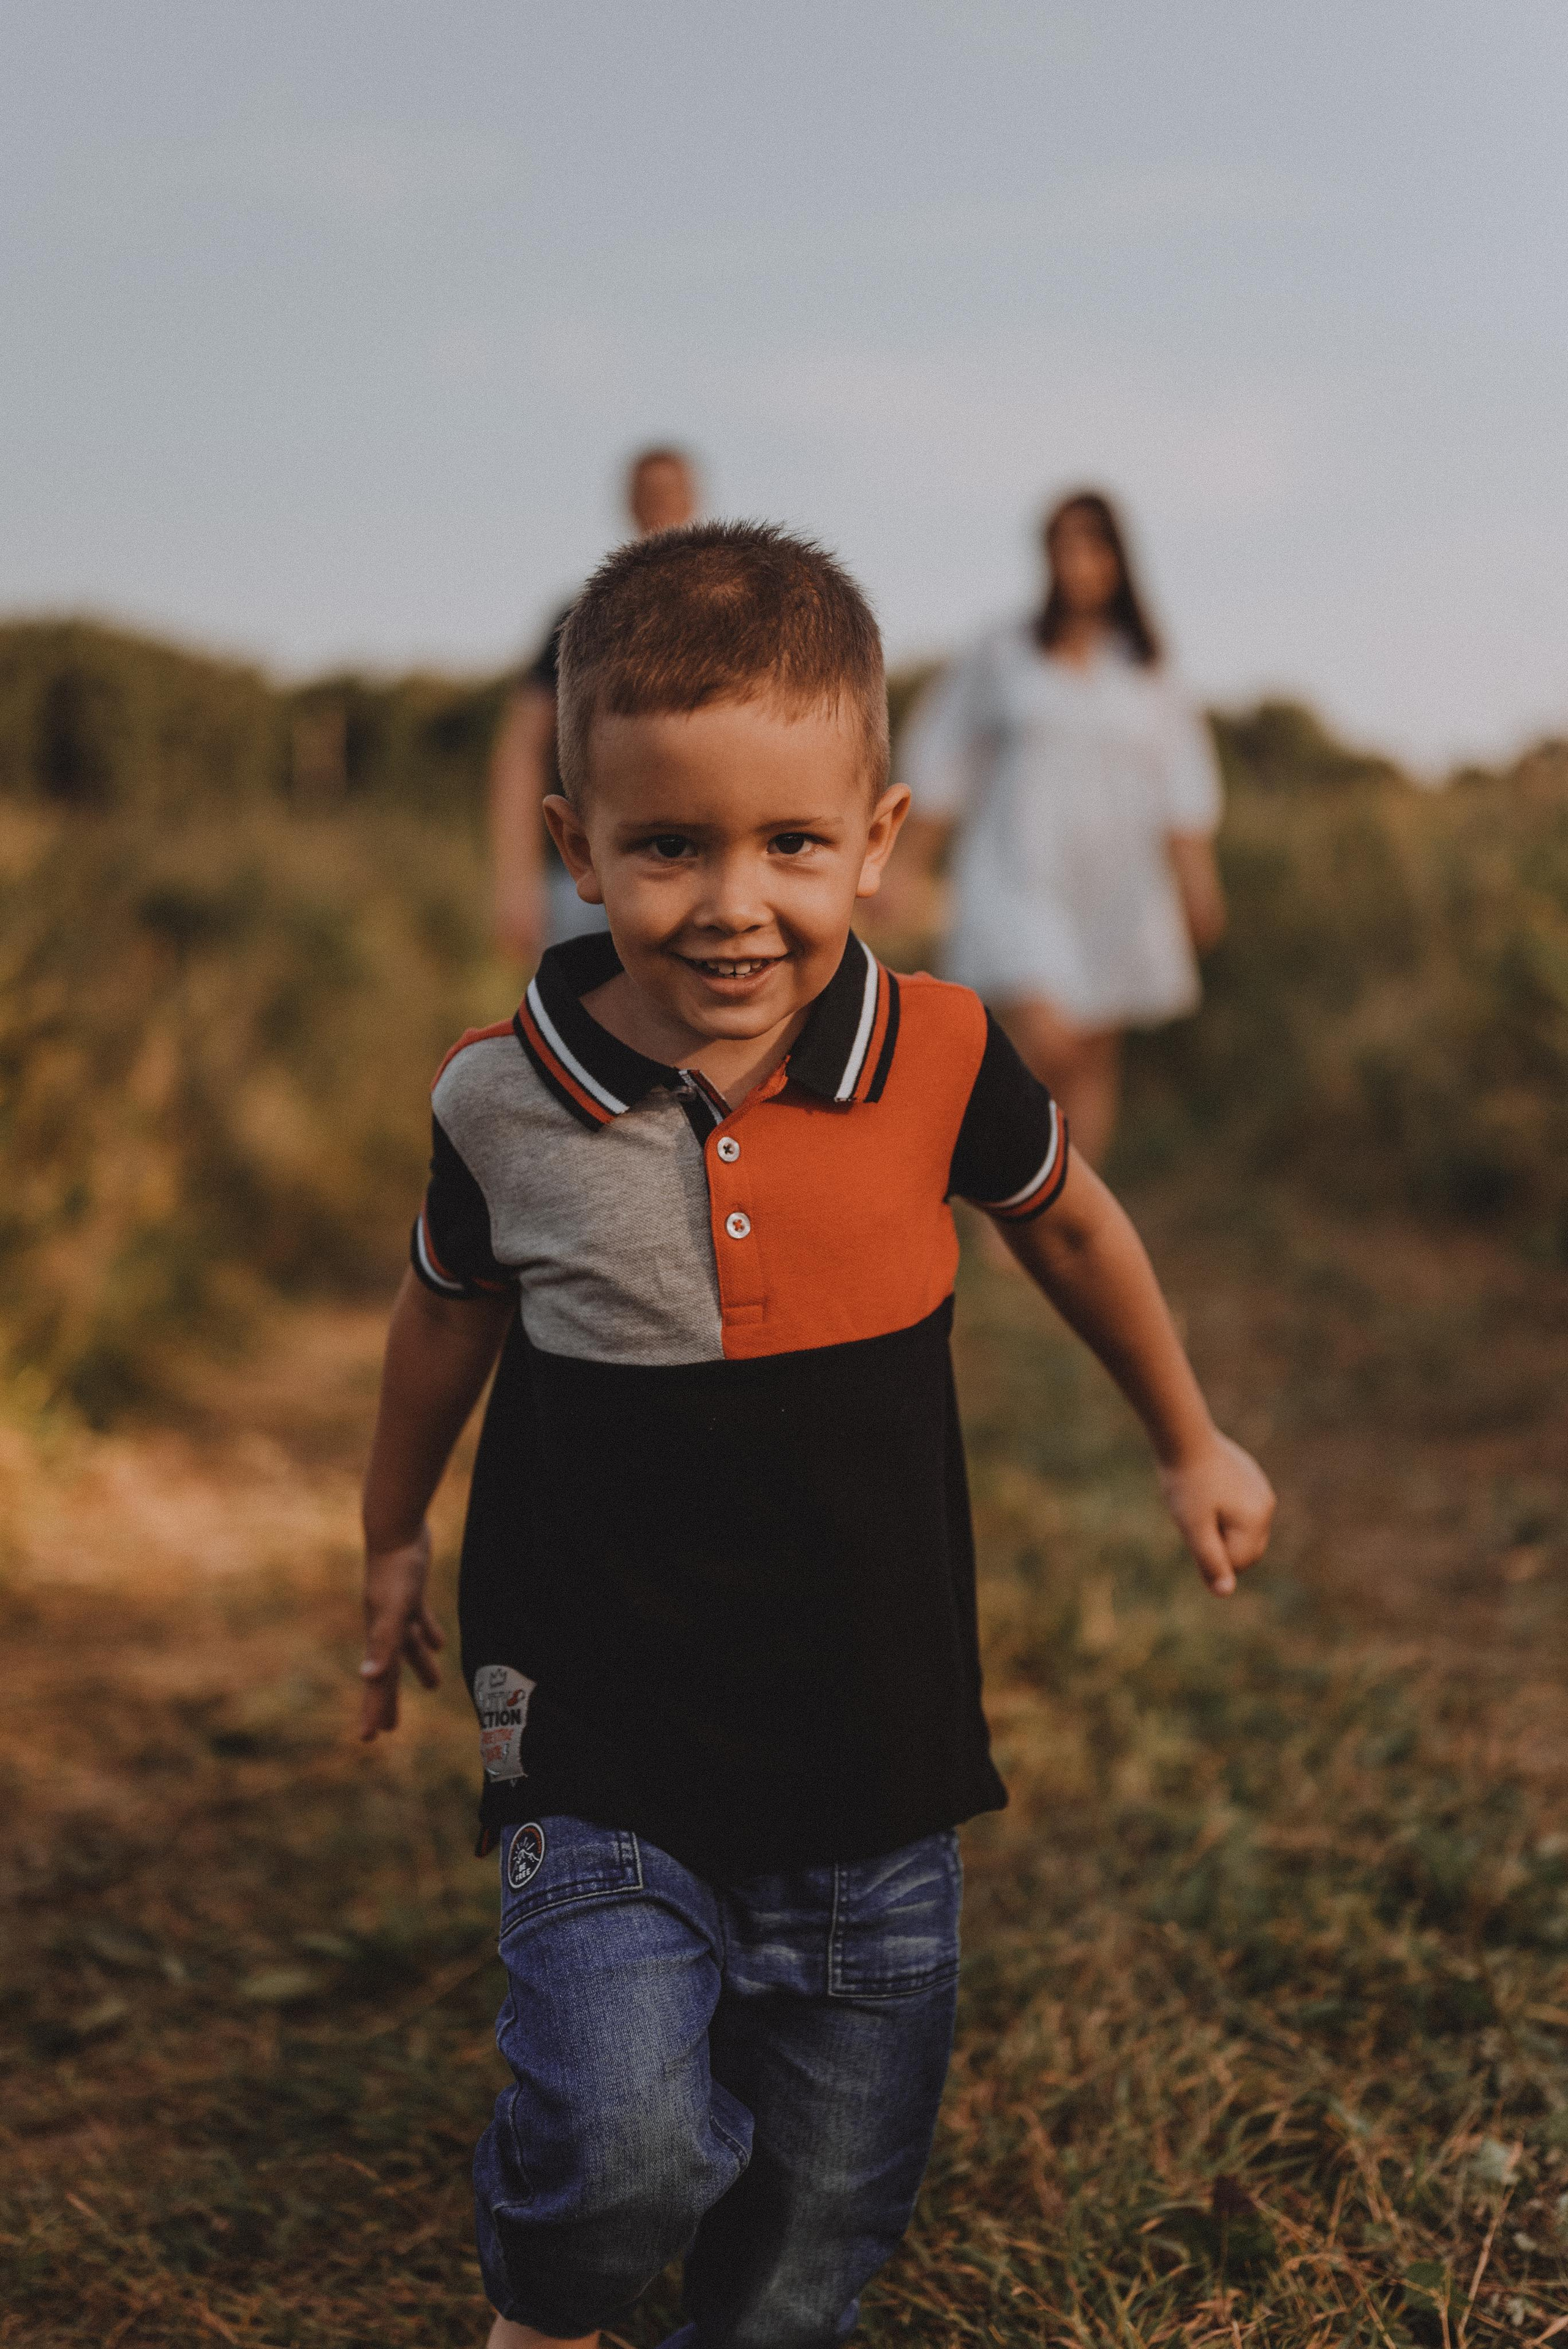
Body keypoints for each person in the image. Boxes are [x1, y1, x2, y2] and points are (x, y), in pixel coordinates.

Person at [358, 521, 1274, 2349]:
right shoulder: (499, 1100)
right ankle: (551, 2297)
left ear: (877, 837)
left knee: (816, 2226)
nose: (733, 902)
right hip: (599, 1731)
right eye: (667, 846)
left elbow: (1067, 1226)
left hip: (875, 1749)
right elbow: (442, 1318)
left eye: (790, 842)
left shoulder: (937, 1052)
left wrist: (1187, 1437)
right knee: (619, 2150)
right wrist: (391, 1530)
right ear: (575, 849)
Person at [894, 490, 1226, 1167]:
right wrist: (907, 863)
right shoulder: (1003, 651)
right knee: (1041, 1046)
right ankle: (999, 1202)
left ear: (1117, 558)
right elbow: (944, 754)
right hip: (1016, 873)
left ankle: (1069, 1209)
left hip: (1118, 884)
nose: (1076, 562)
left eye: (1091, 546)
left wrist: (1198, 882)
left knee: (1092, 1061)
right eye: (1062, 546)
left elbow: (1181, 782)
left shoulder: (1147, 667)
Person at [489, 445, 702, 964]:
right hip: (585, 875)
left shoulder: (723, 618)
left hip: (698, 868)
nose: (660, 508)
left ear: (693, 501)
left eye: (671, 495)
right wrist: (515, 884)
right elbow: (521, 750)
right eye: (648, 496)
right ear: (628, 505)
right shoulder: (581, 617)